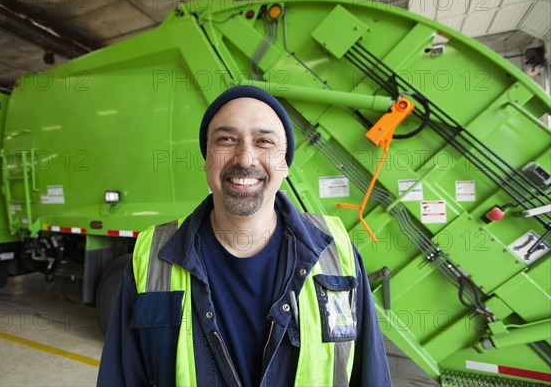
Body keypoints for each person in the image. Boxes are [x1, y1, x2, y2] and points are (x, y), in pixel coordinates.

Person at [97, 85, 392, 386]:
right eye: (226, 140)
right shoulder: (153, 254)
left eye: (264, 141)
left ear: (285, 163)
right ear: (207, 158)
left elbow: (370, 375)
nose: (245, 158)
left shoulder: (336, 252)